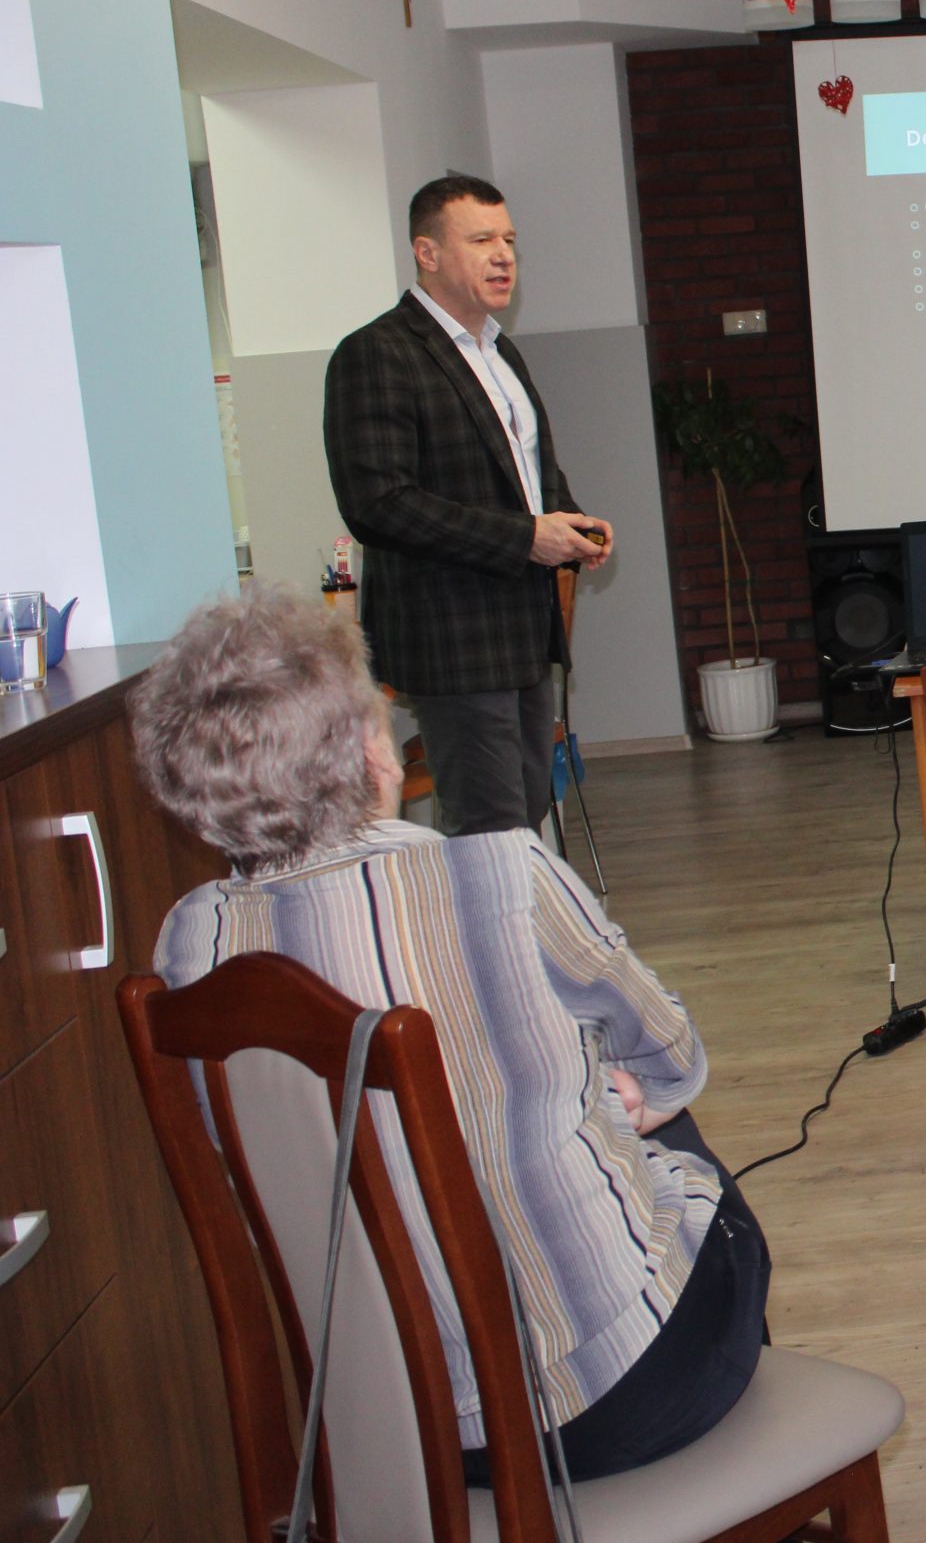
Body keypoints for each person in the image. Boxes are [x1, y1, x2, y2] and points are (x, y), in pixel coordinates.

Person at [133, 586, 761, 1483]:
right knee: (679, 1142)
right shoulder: (498, 871)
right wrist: (615, 1091)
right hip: (612, 1395)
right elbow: (673, 1056)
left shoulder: (189, 941)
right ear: (365, 748)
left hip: (398, 1433)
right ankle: (735, 1492)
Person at [324, 175, 611, 837]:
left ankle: (516, 937)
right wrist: (522, 538)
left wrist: (570, 520)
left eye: (509, 239)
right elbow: (378, 503)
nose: (503, 254)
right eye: (481, 239)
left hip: (523, 626)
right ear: (427, 253)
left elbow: (528, 474)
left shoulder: (499, 350)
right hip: (451, 633)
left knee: (528, 807)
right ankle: (488, 942)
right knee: (490, 824)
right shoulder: (378, 353)